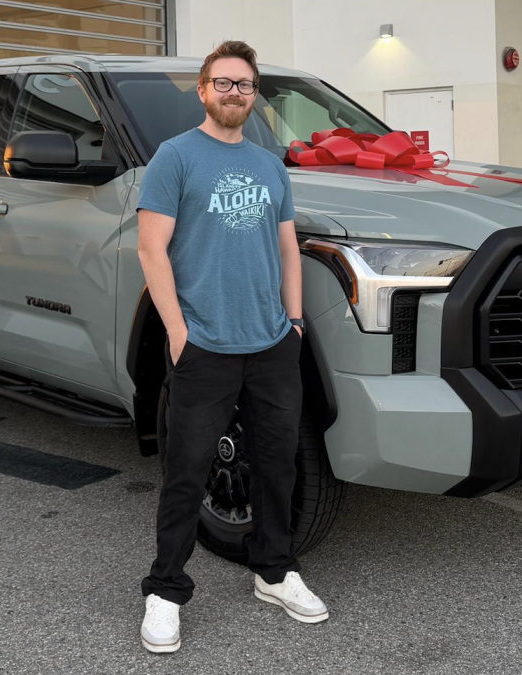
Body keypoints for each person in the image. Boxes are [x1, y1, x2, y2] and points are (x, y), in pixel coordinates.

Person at [135, 40, 328, 654]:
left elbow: (287, 248)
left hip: (271, 342)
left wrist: (294, 323)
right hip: (205, 344)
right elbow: (150, 249)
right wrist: (177, 332)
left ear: (254, 95)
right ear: (203, 90)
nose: (234, 92)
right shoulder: (175, 157)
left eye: (244, 84)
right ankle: (166, 590)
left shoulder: (270, 165)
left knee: (277, 464)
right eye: (223, 82)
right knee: (187, 471)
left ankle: (275, 570)